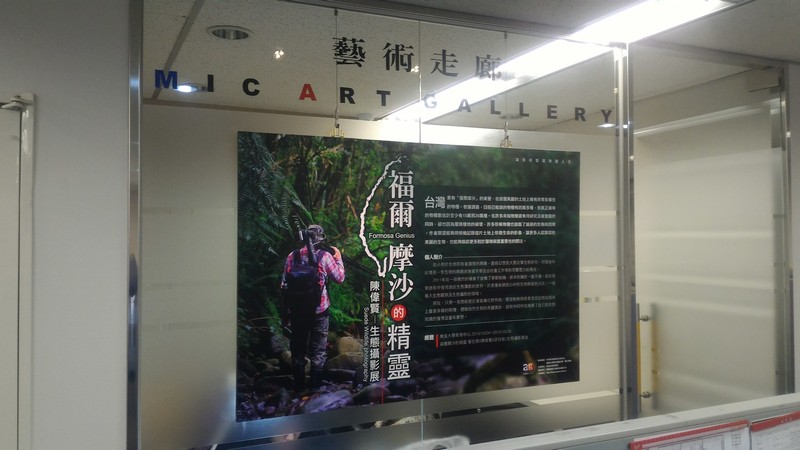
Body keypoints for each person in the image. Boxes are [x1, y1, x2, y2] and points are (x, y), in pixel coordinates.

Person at [281, 224, 345, 391]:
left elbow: (284, 285)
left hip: (296, 311)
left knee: (298, 349)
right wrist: (338, 258)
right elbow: (339, 278)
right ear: (320, 239)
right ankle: (315, 389)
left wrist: (285, 312)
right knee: (318, 350)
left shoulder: (292, 256)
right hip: (319, 311)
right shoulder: (325, 256)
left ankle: (298, 388)